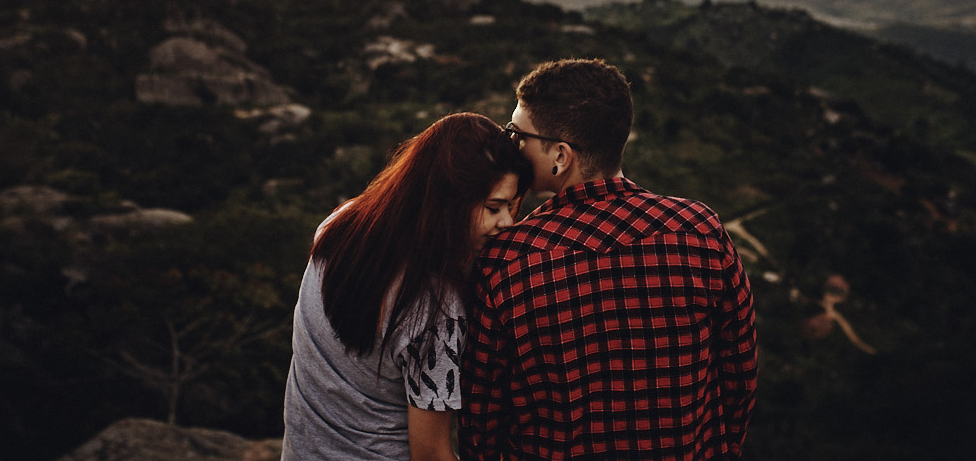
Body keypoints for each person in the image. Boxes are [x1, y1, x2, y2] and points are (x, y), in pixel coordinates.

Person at [459, 59, 758, 460]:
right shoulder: (701, 231)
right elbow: (739, 376)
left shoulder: (507, 263)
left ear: (561, 156)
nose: (510, 144)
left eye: (517, 134)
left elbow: (482, 422)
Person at [282, 113, 534, 461]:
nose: (507, 222)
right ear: (449, 204)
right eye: (494, 208)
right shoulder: (436, 311)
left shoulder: (341, 225)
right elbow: (431, 453)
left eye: (511, 206)